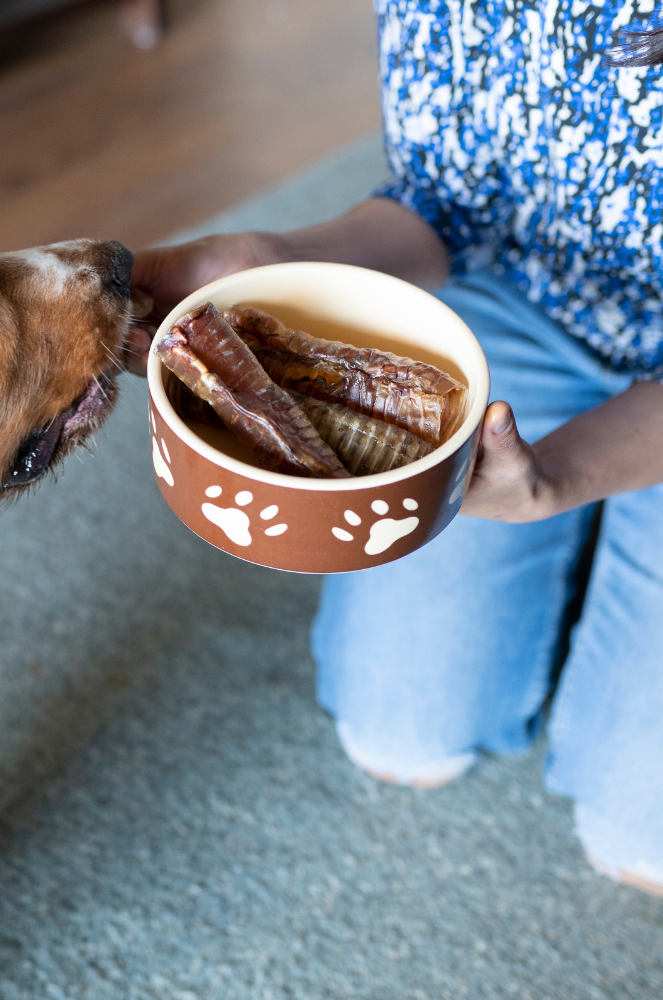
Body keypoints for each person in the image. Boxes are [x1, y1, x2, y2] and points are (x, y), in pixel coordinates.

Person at [126, 1, 663, 895]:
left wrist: (564, 476)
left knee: (638, 836)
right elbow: (447, 207)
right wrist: (279, 256)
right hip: (522, 295)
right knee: (401, 732)